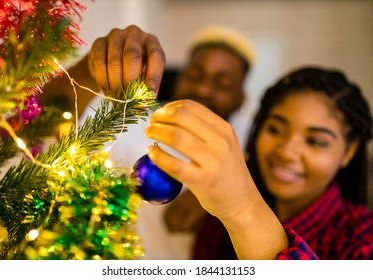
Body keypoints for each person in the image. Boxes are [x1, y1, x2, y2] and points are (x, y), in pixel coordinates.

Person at [84, 26, 373, 259]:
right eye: (275, 129)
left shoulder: (361, 238)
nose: (286, 151)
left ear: (349, 151)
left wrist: (240, 208)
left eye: (316, 141)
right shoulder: (216, 228)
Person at [41, 25, 256, 259]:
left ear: (240, 98)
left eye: (222, 84)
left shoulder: (248, 146)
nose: (203, 89)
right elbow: (48, 117)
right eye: (194, 76)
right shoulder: (135, 118)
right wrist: (86, 69)